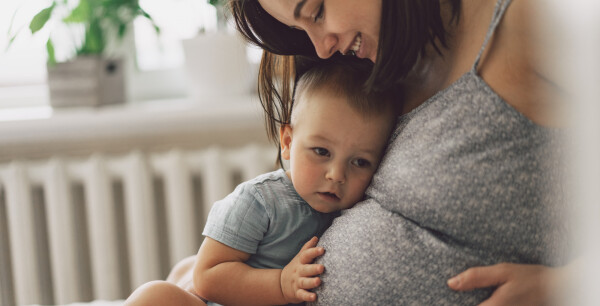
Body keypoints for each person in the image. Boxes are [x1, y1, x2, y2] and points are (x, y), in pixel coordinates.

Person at [219, 0, 570, 304]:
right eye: (299, 28)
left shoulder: (529, 22)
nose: (322, 48)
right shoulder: (376, 62)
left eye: (318, 10)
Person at [124, 58, 400, 305]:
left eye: (360, 162)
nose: (337, 175)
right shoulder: (260, 201)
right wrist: (281, 284)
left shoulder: (359, 211)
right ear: (288, 142)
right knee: (156, 295)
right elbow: (207, 276)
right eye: (321, 152)